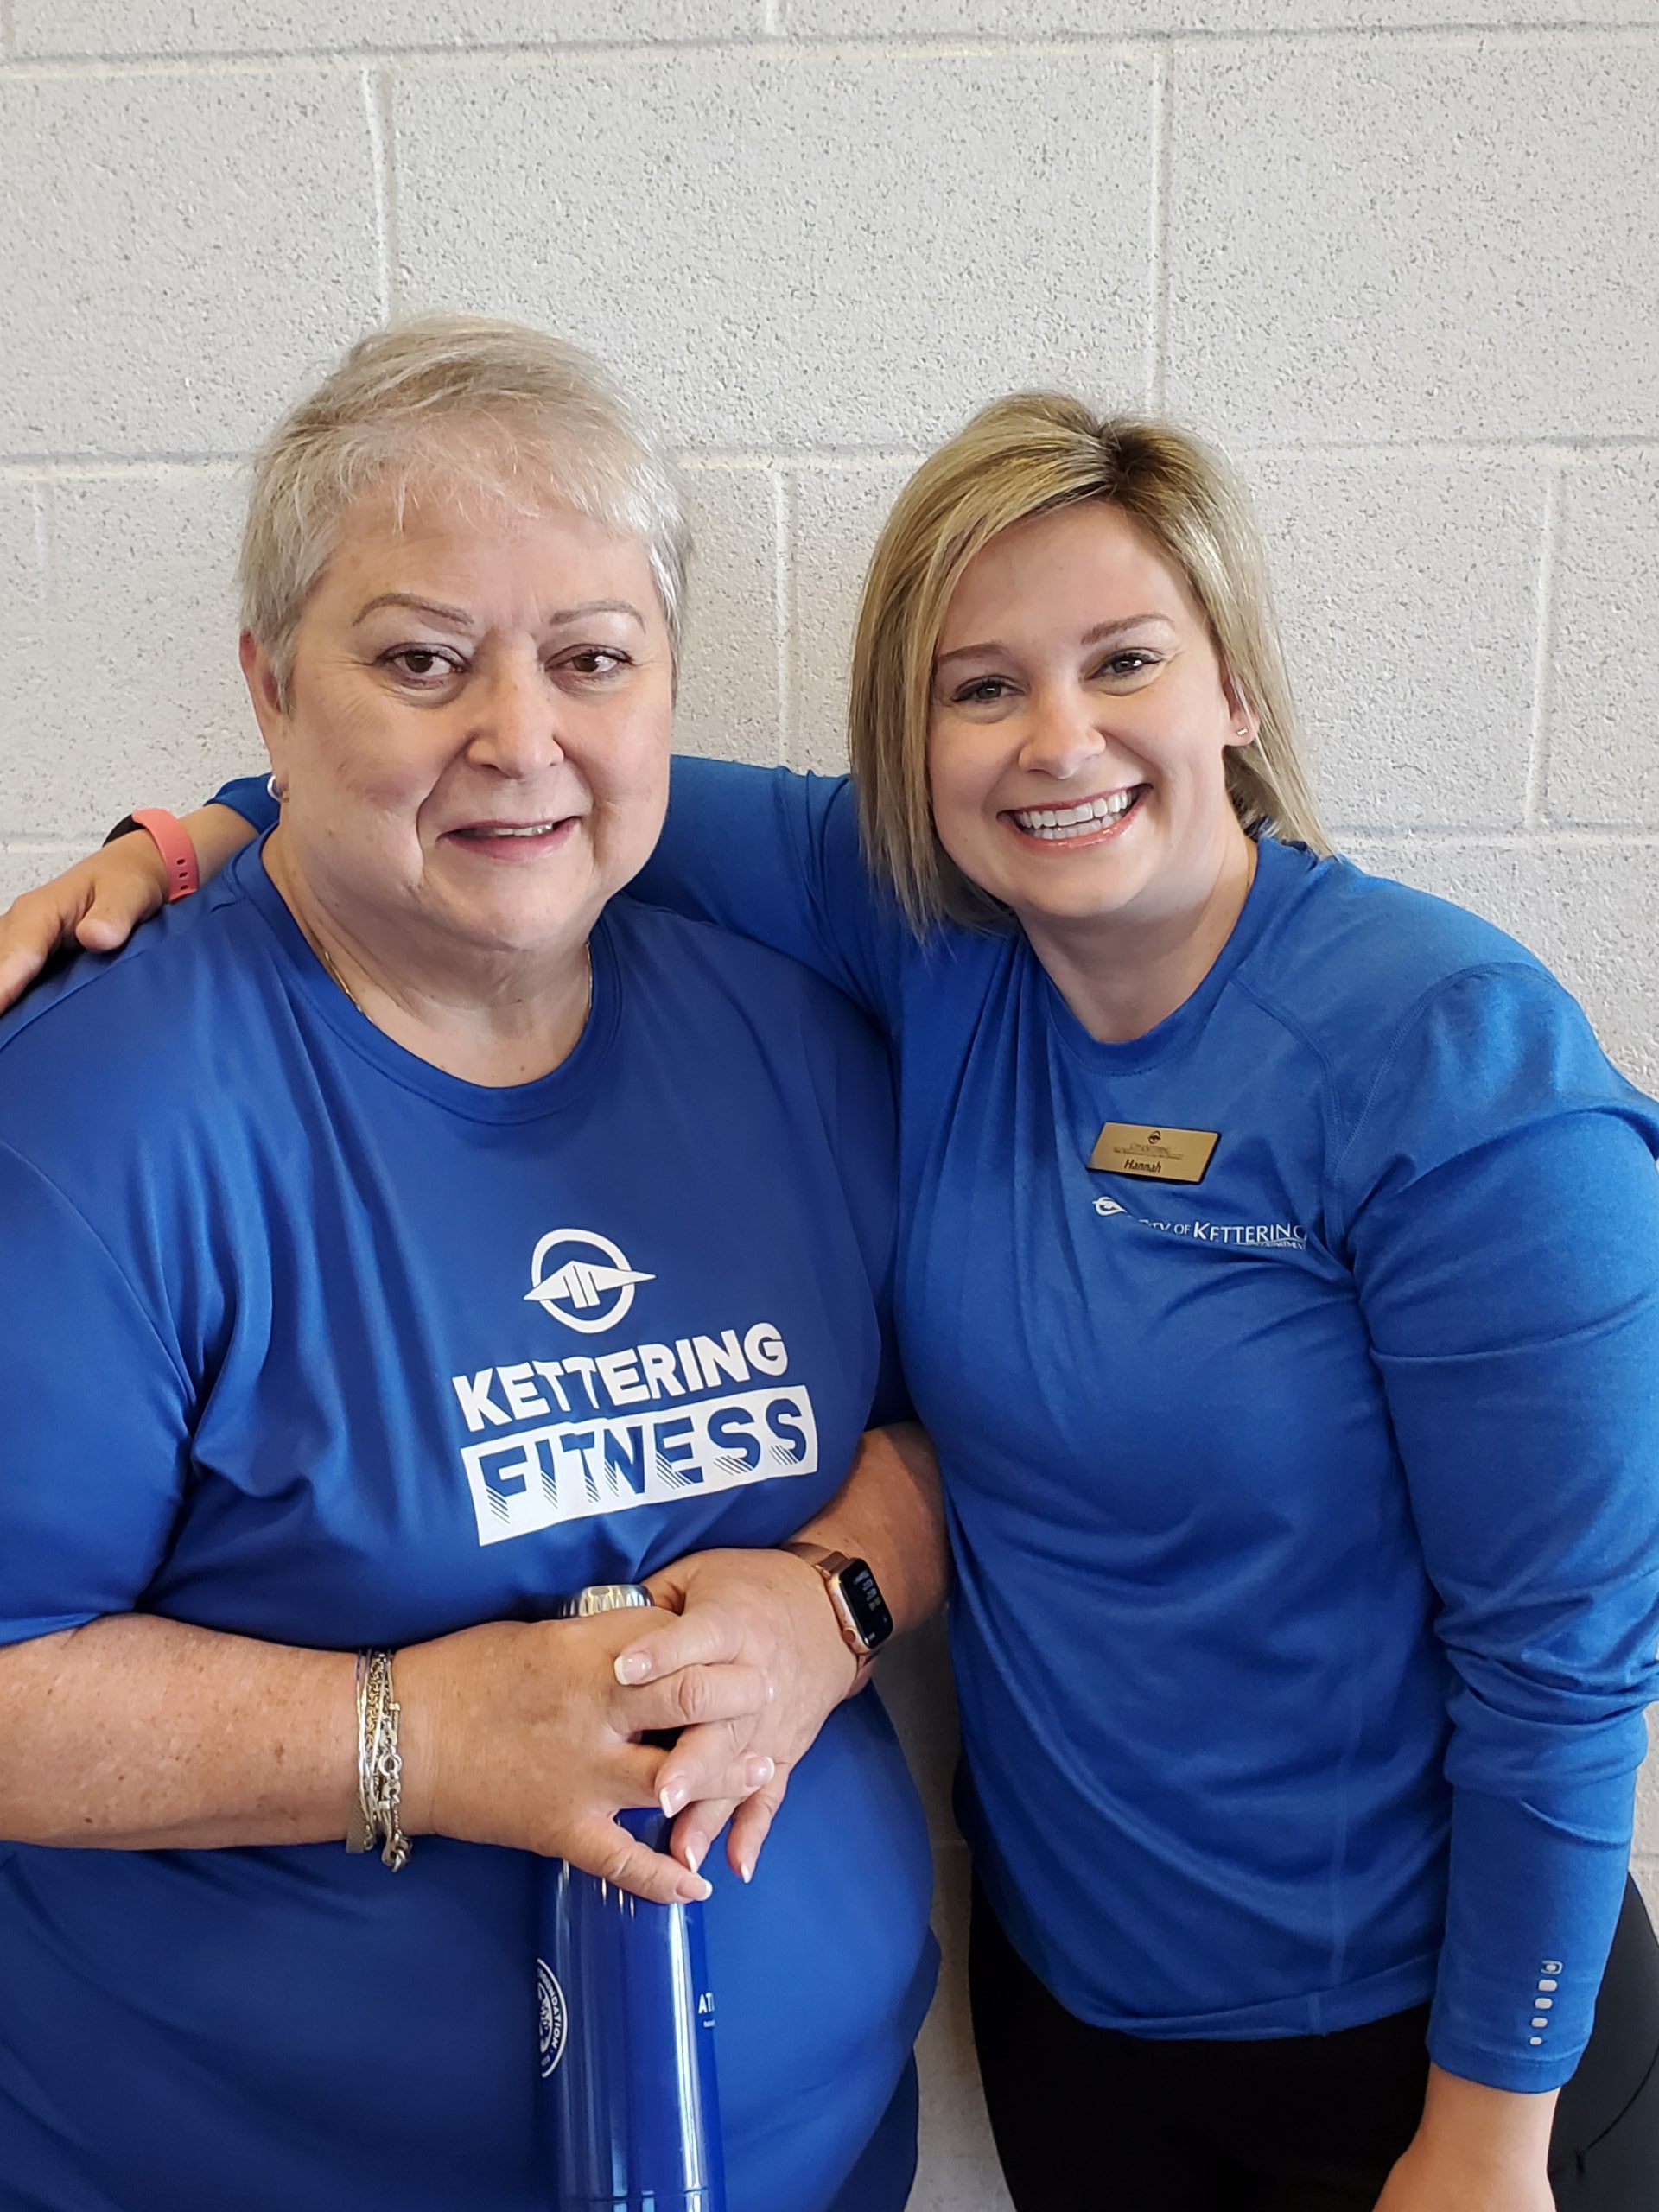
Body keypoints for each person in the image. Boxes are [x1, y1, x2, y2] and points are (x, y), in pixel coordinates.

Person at [10, 395, 1659, 2210]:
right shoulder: (934, 946)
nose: (1059, 742)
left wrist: (1494, 2122)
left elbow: (1567, 1655)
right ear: (912, 743)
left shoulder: (1459, 1063)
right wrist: (181, 844)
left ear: (1235, 688)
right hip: (1073, 2018)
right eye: (981, 688)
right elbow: (499, 789)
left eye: (1125, 661)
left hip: (1417, 2051)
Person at [0, 317, 945, 2212]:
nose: (519, 737)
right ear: (269, 695)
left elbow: (949, 1432)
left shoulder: (799, 1039)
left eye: (591, 658)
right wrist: (414, 1734)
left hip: (819, 2150)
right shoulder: (97, 1112)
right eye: (421, 658)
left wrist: (833, 1600)